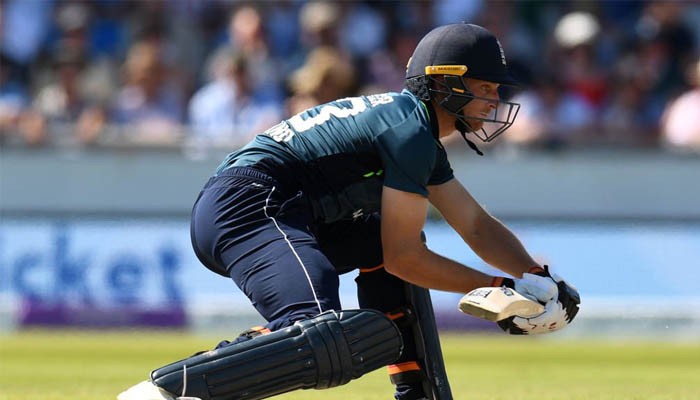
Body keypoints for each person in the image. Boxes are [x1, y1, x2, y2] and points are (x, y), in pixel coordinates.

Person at [118, 23, 580, 400]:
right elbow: (406, 258)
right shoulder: (410, 131)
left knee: (372, 259)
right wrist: (498, 289)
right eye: (485, 87)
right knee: (323, 338)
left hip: (271, 208)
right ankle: (167, 392)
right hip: (250, 205)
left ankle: (419, 395)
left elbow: (475, 225)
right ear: (444, 83)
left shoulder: (412, 129)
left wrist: (538, 278)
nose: (495, 101)